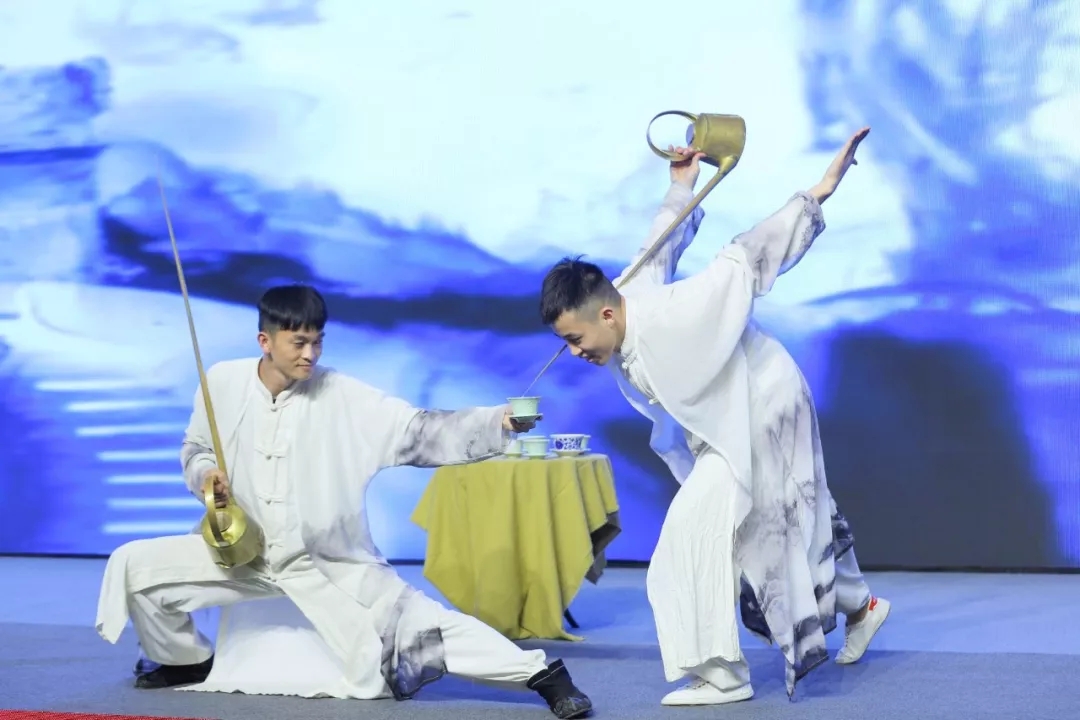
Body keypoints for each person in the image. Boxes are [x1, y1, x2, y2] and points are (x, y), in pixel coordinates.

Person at [95, 284, 593, 720]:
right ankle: (184, 659)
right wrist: (207, 478)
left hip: (325, 561)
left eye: (317, 341)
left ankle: (543, 676)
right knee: (133, 567)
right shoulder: (223, 382)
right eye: (298, 343)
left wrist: (496, 423)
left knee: (418, 630)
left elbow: (417, 430)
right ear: (265, 341)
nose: (310, 354)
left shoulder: (341, 395)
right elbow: (195, 448)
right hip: (243, 552)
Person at [537, 130, 890, 706]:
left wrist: (820, 191)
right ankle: (862, 606)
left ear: (606, 315)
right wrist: (682, 184)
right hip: (726, 419)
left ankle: (723, 674)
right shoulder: (625, 296)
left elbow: (747, 256)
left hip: (765, 402)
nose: (576, 353)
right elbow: (662, 240)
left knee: (706, 536)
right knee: (786, 523)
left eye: (576, 340)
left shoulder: (673, 312)